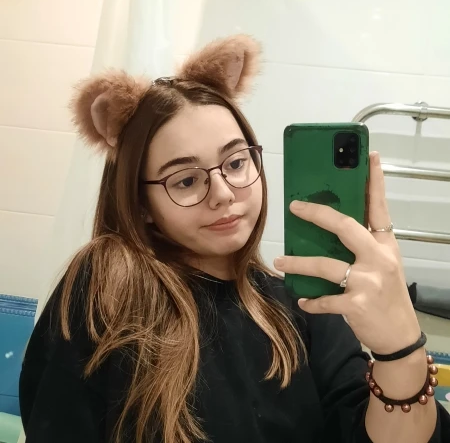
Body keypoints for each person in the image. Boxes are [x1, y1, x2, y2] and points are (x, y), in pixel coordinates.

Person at [19, 35, 450, 443]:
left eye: (236, 162)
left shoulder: (305, 304)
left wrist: (400, 347)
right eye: (186, 180)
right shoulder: (109, 287)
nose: (224, 193)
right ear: (142, 203)